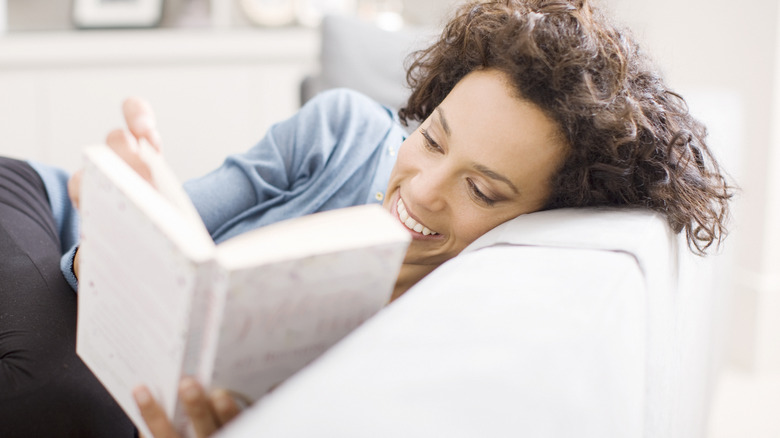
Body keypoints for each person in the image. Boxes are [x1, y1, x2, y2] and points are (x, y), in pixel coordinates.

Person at [0, 0, 732, 436]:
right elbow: (94, 263)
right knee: (57, 396)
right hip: (37, 207)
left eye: (482, 190)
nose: (421, 190)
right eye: (433, 139)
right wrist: (126, 215)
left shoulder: (457, 314)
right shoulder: (344, 133)